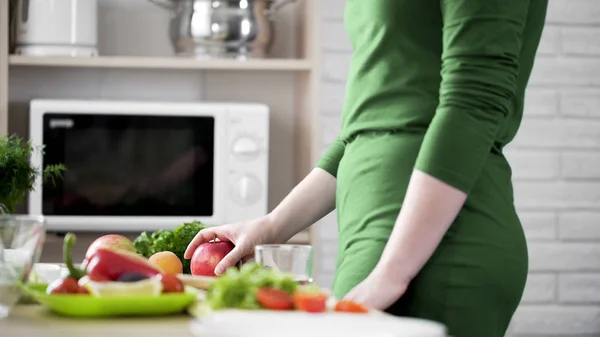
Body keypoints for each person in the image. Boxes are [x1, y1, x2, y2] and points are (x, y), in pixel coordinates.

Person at [184, 0, 549, 336]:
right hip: (378, 239)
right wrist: (272, 226)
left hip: (436, 247)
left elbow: (474, 99)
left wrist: (392, 272)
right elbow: (365, 132)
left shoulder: (399, 266)